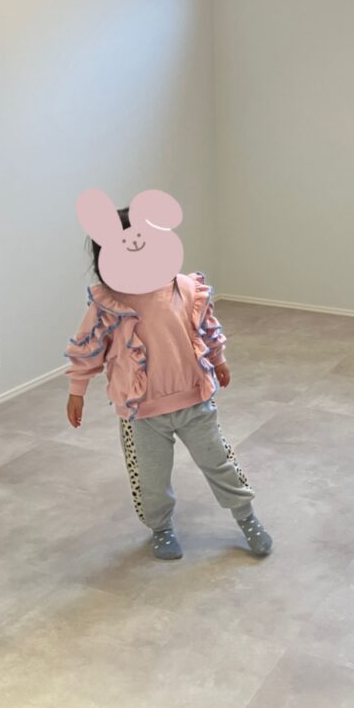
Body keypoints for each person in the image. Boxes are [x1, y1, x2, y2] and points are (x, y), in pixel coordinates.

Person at [64, 208, 272, 561]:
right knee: (151, 479)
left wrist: (219, 359)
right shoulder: (109, 304)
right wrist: (76, 391)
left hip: (194, 402)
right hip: (141, 414)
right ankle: (160, 527)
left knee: (219, 463)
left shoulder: (184, 288)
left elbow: (207, 327)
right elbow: (88, 347)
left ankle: (246, 517)